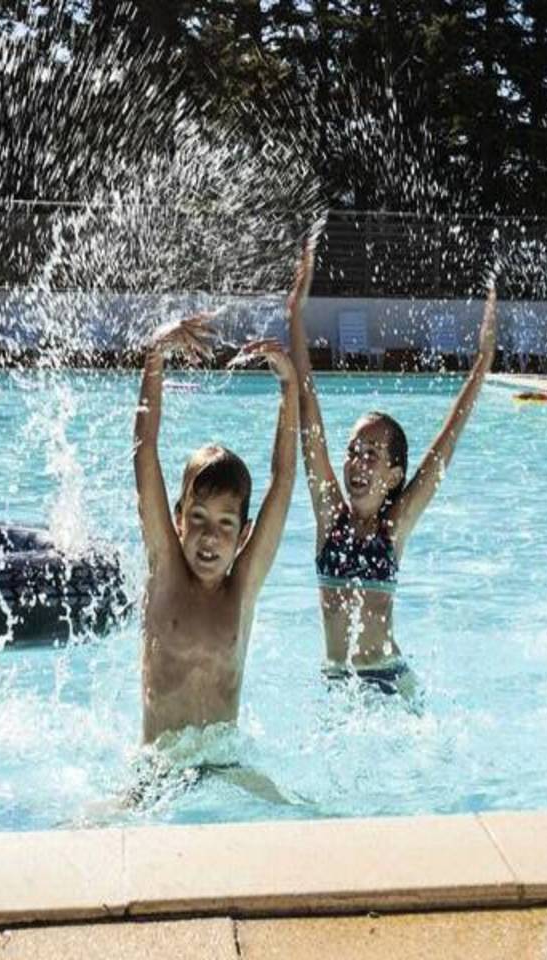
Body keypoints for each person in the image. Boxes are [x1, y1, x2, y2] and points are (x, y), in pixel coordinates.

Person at [287, 243, 498, 698]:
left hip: (389, 678)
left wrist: (482, 364)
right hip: (337, 680)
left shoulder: (393, 526)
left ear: (395, 475)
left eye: (372, 456)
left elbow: (445, 446)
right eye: (353, 451)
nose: (357, 463)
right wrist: (295, 319)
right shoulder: (330, 518)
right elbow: (309, 415)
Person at [134, 310, 299, 747]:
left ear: (244, 534)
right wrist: (155, 354)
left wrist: (289, 387)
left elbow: (283, 482)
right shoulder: (165, 568)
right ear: (178, 519)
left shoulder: (242, 588)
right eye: (199, 519)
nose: (209, 537)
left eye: (226, 524)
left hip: (226, 768)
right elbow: (144, 453)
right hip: (159, 772)